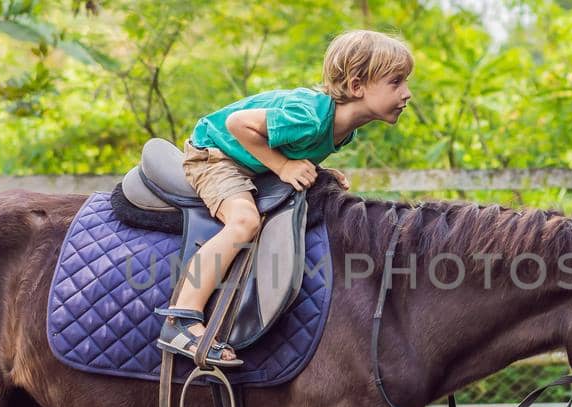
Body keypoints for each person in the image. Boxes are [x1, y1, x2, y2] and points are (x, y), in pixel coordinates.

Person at [156, 30, 414, 367]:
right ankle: (182, 320)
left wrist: (317, 171)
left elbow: (298, 147)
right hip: (214, 155)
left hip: (246, 159)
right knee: (244, 221)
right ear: (356, 86)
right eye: (396, 82)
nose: (407, 94)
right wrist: (282, 165)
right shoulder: (308, 114)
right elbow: (238, 124)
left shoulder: (344, 128)